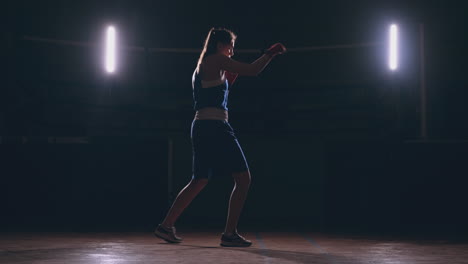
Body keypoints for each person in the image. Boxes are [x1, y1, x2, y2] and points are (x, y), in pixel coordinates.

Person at [154, 27, 286, 247]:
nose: (232, 51)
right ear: (219, 46)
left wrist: (227, 82)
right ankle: (229, 233)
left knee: (199, 180)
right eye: (230, 46)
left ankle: (166, 225)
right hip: (216, 126)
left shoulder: (201, 66)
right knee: (243, 179)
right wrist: (269, 54)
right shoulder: (216, 60)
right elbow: (252, 70)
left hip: (201, 126)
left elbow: (213, 91)